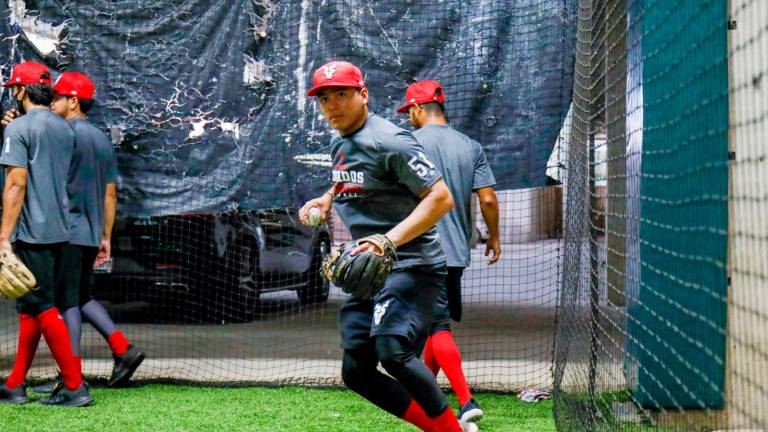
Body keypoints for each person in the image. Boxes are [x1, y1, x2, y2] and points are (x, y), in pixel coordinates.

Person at [299, 61, 467, 432]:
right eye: (324, 99)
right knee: (356, 372)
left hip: (412, 264)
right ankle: (445, 428)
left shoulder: (390, 140)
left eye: (341, 95)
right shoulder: (339, 140)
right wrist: (327, 198)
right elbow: (354, 179)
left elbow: (441, 198)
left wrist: (387, 240)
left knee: (393, 351)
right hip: (370, 268)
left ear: (363, 94)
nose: (332, 106)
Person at [28, 71, 144, 394]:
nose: (50, 104)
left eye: (56, 98)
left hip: (65, 232)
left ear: (73, 101)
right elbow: (110, 194)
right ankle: (123, 348)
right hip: (91, 234)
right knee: (81, 297)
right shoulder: (102, 139)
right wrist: (105, 236)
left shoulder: (63, 134)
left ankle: (71, 376)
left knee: (66, 304)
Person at [398, 80, 501, 424]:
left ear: (416, 108)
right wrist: (494, 237)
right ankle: (422, 391)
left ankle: (466, 400)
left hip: (419, 252)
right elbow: (487, 198)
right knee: (433, 323)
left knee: (438, 326)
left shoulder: (408, 143)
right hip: (456, 253)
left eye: (408, 112)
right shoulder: (470, 146)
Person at [0, 61, 92, 406]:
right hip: (59, 229)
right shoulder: (64, 127)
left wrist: (3, 237)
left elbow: (16, 184)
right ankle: (14, 384)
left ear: (21, 91)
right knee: (30, 307)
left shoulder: (19, 128)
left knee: (42, 306)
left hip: (30, 231)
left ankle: (74, 385)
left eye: (14, 89)